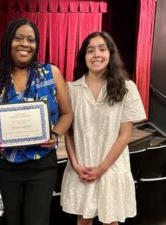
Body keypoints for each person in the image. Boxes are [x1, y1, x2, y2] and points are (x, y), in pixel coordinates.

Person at [0, 18, 73, 225]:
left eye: (31, 40)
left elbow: (67, 114)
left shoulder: (50, 73)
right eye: (18, 38)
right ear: (8, 42)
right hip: (7, 165)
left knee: (37, 221)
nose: (25, 44)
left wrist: (55, 134)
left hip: (42, 164)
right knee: (12, 220)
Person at [60, 32, 146, 225]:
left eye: (102, 49)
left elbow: (124, 135)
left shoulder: (127, 88)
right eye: (90, 51)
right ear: (84, 57)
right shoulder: (71, 89)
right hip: (82, 168)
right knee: (83, 220)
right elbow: (69, 132)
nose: (96, 54)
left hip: (112, 168)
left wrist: (101, 168)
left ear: (110, 53)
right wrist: (74, 164)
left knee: (111, 221)